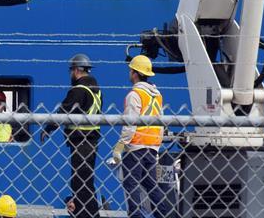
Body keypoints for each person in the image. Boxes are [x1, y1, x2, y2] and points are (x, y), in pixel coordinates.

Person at [111, 55, 173, 218]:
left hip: (136, 147)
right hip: (152, 147)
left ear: (135, 73)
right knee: (150, 184)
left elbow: (130, 124)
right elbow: (160, 123)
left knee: (130, 184)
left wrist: (119, 148)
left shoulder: (134, 94)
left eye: (131, 70)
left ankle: (136, 216)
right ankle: (164, 215)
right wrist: (157, 148)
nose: (129, 73)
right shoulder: (156, 95)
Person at [40, 54, 102, 218]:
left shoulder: (79, 90)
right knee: (86, 182)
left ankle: (87, 215)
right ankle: (90, 214)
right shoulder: (95, 90)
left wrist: (48, 128)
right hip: (91, 141)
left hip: (81, 141)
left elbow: (64, 111)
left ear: (76, 70)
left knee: (79, 183)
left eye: (71, 71)